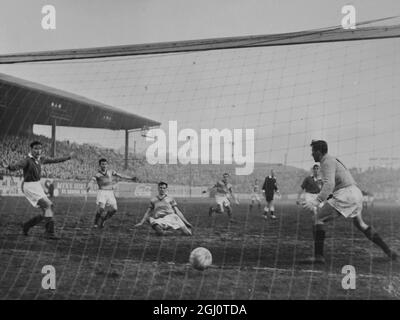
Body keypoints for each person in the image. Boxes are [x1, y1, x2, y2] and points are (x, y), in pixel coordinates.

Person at [300, 140, 397, 264]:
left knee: (317, 219)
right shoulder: (332, 160)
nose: (311, 154)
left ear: (318, 152)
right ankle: (389, 252)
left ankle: (318, 256)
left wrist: (315, 201)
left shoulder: (326, 162)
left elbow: (329, 184)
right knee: (361, 225)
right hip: (355, 193)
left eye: (312, 151)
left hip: (346, 194)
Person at [0, 140, 75, 240]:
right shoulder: (27, 160)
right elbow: (18, 166)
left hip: (37, 186)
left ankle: (27, 225)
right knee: (48, 206)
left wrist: (68, 157)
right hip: (29, 187)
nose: (38, 151)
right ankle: (49, 232)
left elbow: (55, 160)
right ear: (31, 149)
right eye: (35, 148)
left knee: (49, 208)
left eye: (40, 149)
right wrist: (9, 167)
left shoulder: (41, 159)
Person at [86, 158, 136, 228]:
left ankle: (103, 220)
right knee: (101, 209)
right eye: (102, 164)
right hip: (102, 193)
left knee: (115, 209)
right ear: (99, 165)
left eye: (105, 164)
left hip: (110, 193)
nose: (104, 166)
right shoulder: (97, 174)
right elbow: (92, 181)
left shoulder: (111, 172)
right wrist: (89, 186)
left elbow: (120, 175)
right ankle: (96, 222)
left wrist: (130, 178)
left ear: (107, 165)